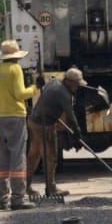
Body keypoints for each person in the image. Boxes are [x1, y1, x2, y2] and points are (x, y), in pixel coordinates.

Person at [0, 39, 36, 210]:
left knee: (2, 159)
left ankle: (3, 198)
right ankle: (18, 198)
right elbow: (20, 94)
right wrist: (36, 89)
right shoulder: (15, 69)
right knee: (18, 157)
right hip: (16, 118)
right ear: (16, 56)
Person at [27, 67, 85, 198]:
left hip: (34, 121)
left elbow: (49, 102)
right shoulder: (64, 94)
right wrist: (77, 131)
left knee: (34, 155)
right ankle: (51, 188)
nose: (77, 87)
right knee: (51, 156)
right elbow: (71, 115)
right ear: (70, 82)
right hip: (44, 125)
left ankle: (27, 186)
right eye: (76, 84)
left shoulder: (54, 83)